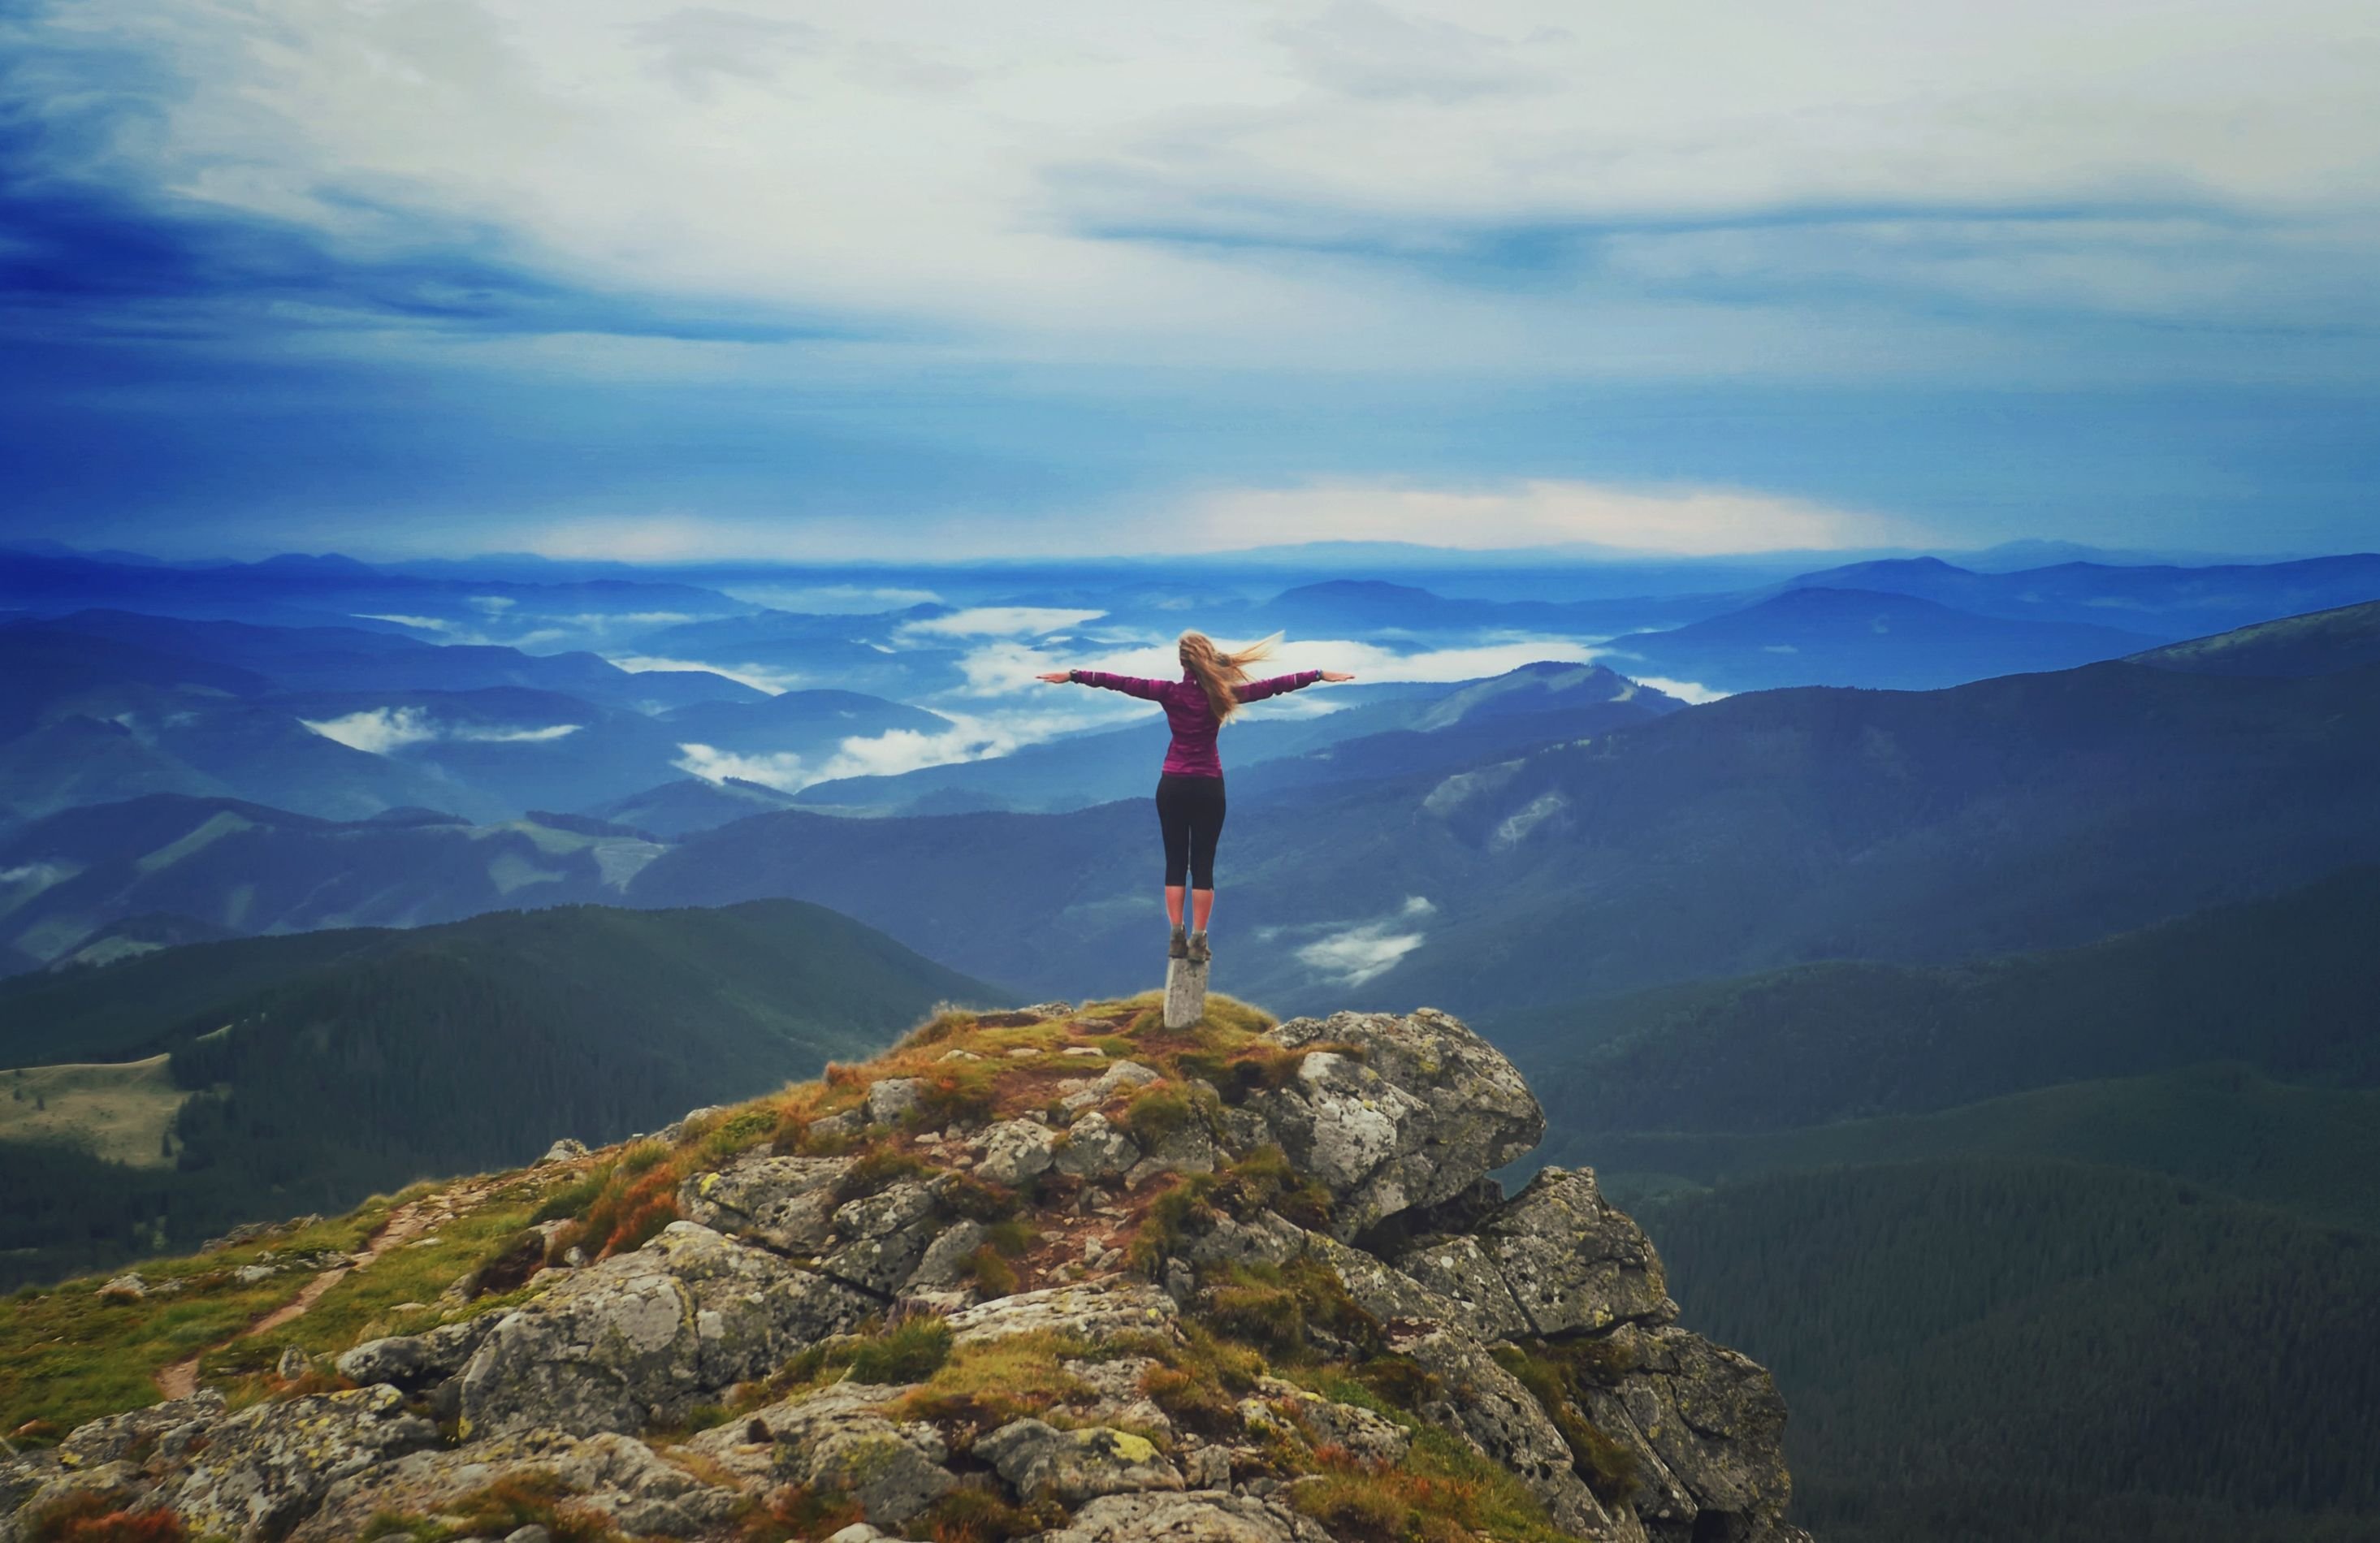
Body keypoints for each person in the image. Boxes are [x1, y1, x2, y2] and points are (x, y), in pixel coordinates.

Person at [1039, 632, 1353, 963]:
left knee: (1175, 863)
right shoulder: (1223, 693)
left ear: (1181, 662)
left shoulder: (1168, 692)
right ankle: (1199, 940)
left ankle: (1176, 935)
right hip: (1208, 787)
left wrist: (1073, 676)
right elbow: (1275, 685)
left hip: (1172, 785)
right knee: (1203, 866)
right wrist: (1318, 675)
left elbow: (1119, 682)